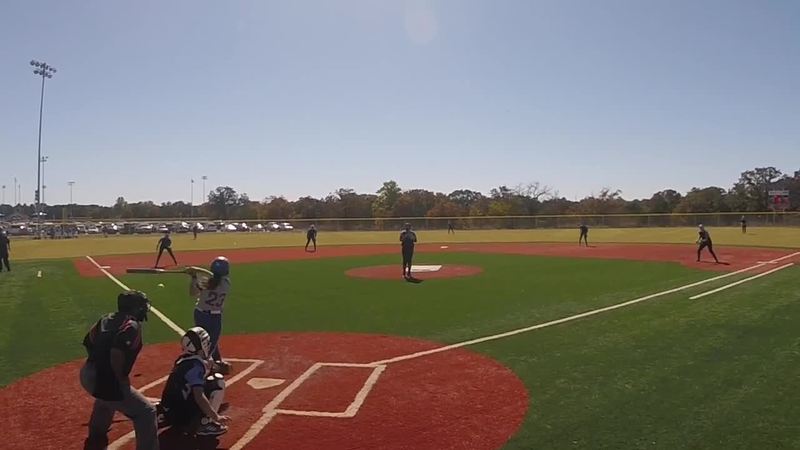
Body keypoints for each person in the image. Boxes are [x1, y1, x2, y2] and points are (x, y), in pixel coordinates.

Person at [80, 291, 158, 450]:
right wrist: (119, 378)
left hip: (87, 372)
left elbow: (89, 341)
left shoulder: (106, 318)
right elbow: (116, 353)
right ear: (135, 308)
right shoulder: (131, 326)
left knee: (106, 399)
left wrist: (99, 363)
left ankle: (96, 438)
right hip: (106, 378)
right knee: (146, 412)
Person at [156, 327, 230, 436]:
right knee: (217, 382)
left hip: (169, 411)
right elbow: (199, 396)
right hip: (182, 416)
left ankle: (170, 417)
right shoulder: (196, 366)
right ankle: (205, 424)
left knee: (203, 382)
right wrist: (216, 416)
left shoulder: (183, 359)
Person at [188, 257, 232, 374]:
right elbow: (212, 278)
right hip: (214, 317)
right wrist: (196, 272)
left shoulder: (206, 282)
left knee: (207, 341)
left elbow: (192, 293)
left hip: (200, 314)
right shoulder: (226, 283)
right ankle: (204, 368)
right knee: (210, 342)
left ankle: (216, 361)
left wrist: (194, 276)